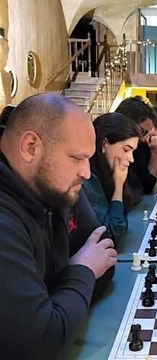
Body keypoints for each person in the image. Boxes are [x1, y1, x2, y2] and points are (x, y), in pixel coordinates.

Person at [0, 93, 116, 359]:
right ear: (30, 147)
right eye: (76, 158)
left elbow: (105, 256)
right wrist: (83, 269)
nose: (86, 173)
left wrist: (57, 297)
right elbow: (42, 343)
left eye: (88, 159)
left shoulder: (55, 185)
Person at [82, 112, 139, 245]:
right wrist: (118, 186)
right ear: (104, 145)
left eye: (133, 152)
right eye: (126, 150)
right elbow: (113, 234)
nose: (131, 159)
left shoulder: (106, 173)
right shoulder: (87, 179)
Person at [116, 96, 157, 196]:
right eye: (142, 132)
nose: (143, 138)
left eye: (148, 132)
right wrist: (155, 154)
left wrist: (155, 153)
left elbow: (147, 185)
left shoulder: (142, 146)